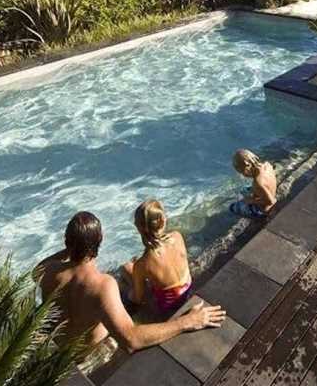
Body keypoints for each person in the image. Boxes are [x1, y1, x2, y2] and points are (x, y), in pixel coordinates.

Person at [34, 211, 225, 354]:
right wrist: (186, 321)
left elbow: (36, 272)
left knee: (126, 277)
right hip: (89, 353)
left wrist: (71, 247)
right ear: (100, 240)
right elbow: (131, 340)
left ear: (66, 241)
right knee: (133, 296)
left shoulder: (49, 271)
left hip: (60, 345)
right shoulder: (102, 285)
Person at [122, 200, 193, 316]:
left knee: (125, 269)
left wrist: (129, 288)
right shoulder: (177, 236)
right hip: (188, 292)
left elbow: (138, 298)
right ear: (163, 220)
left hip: (169, 307)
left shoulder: (143, 263)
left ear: (139, 227)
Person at [229, 149, 277, 219]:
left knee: (233, 207)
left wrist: (251, 201)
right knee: (244, 190)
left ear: (247, 166)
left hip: (262, 211)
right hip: (268, 191)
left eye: (242, 172)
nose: (243, 175)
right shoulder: (267, 165)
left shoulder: (258, 182)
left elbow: (271, 201)